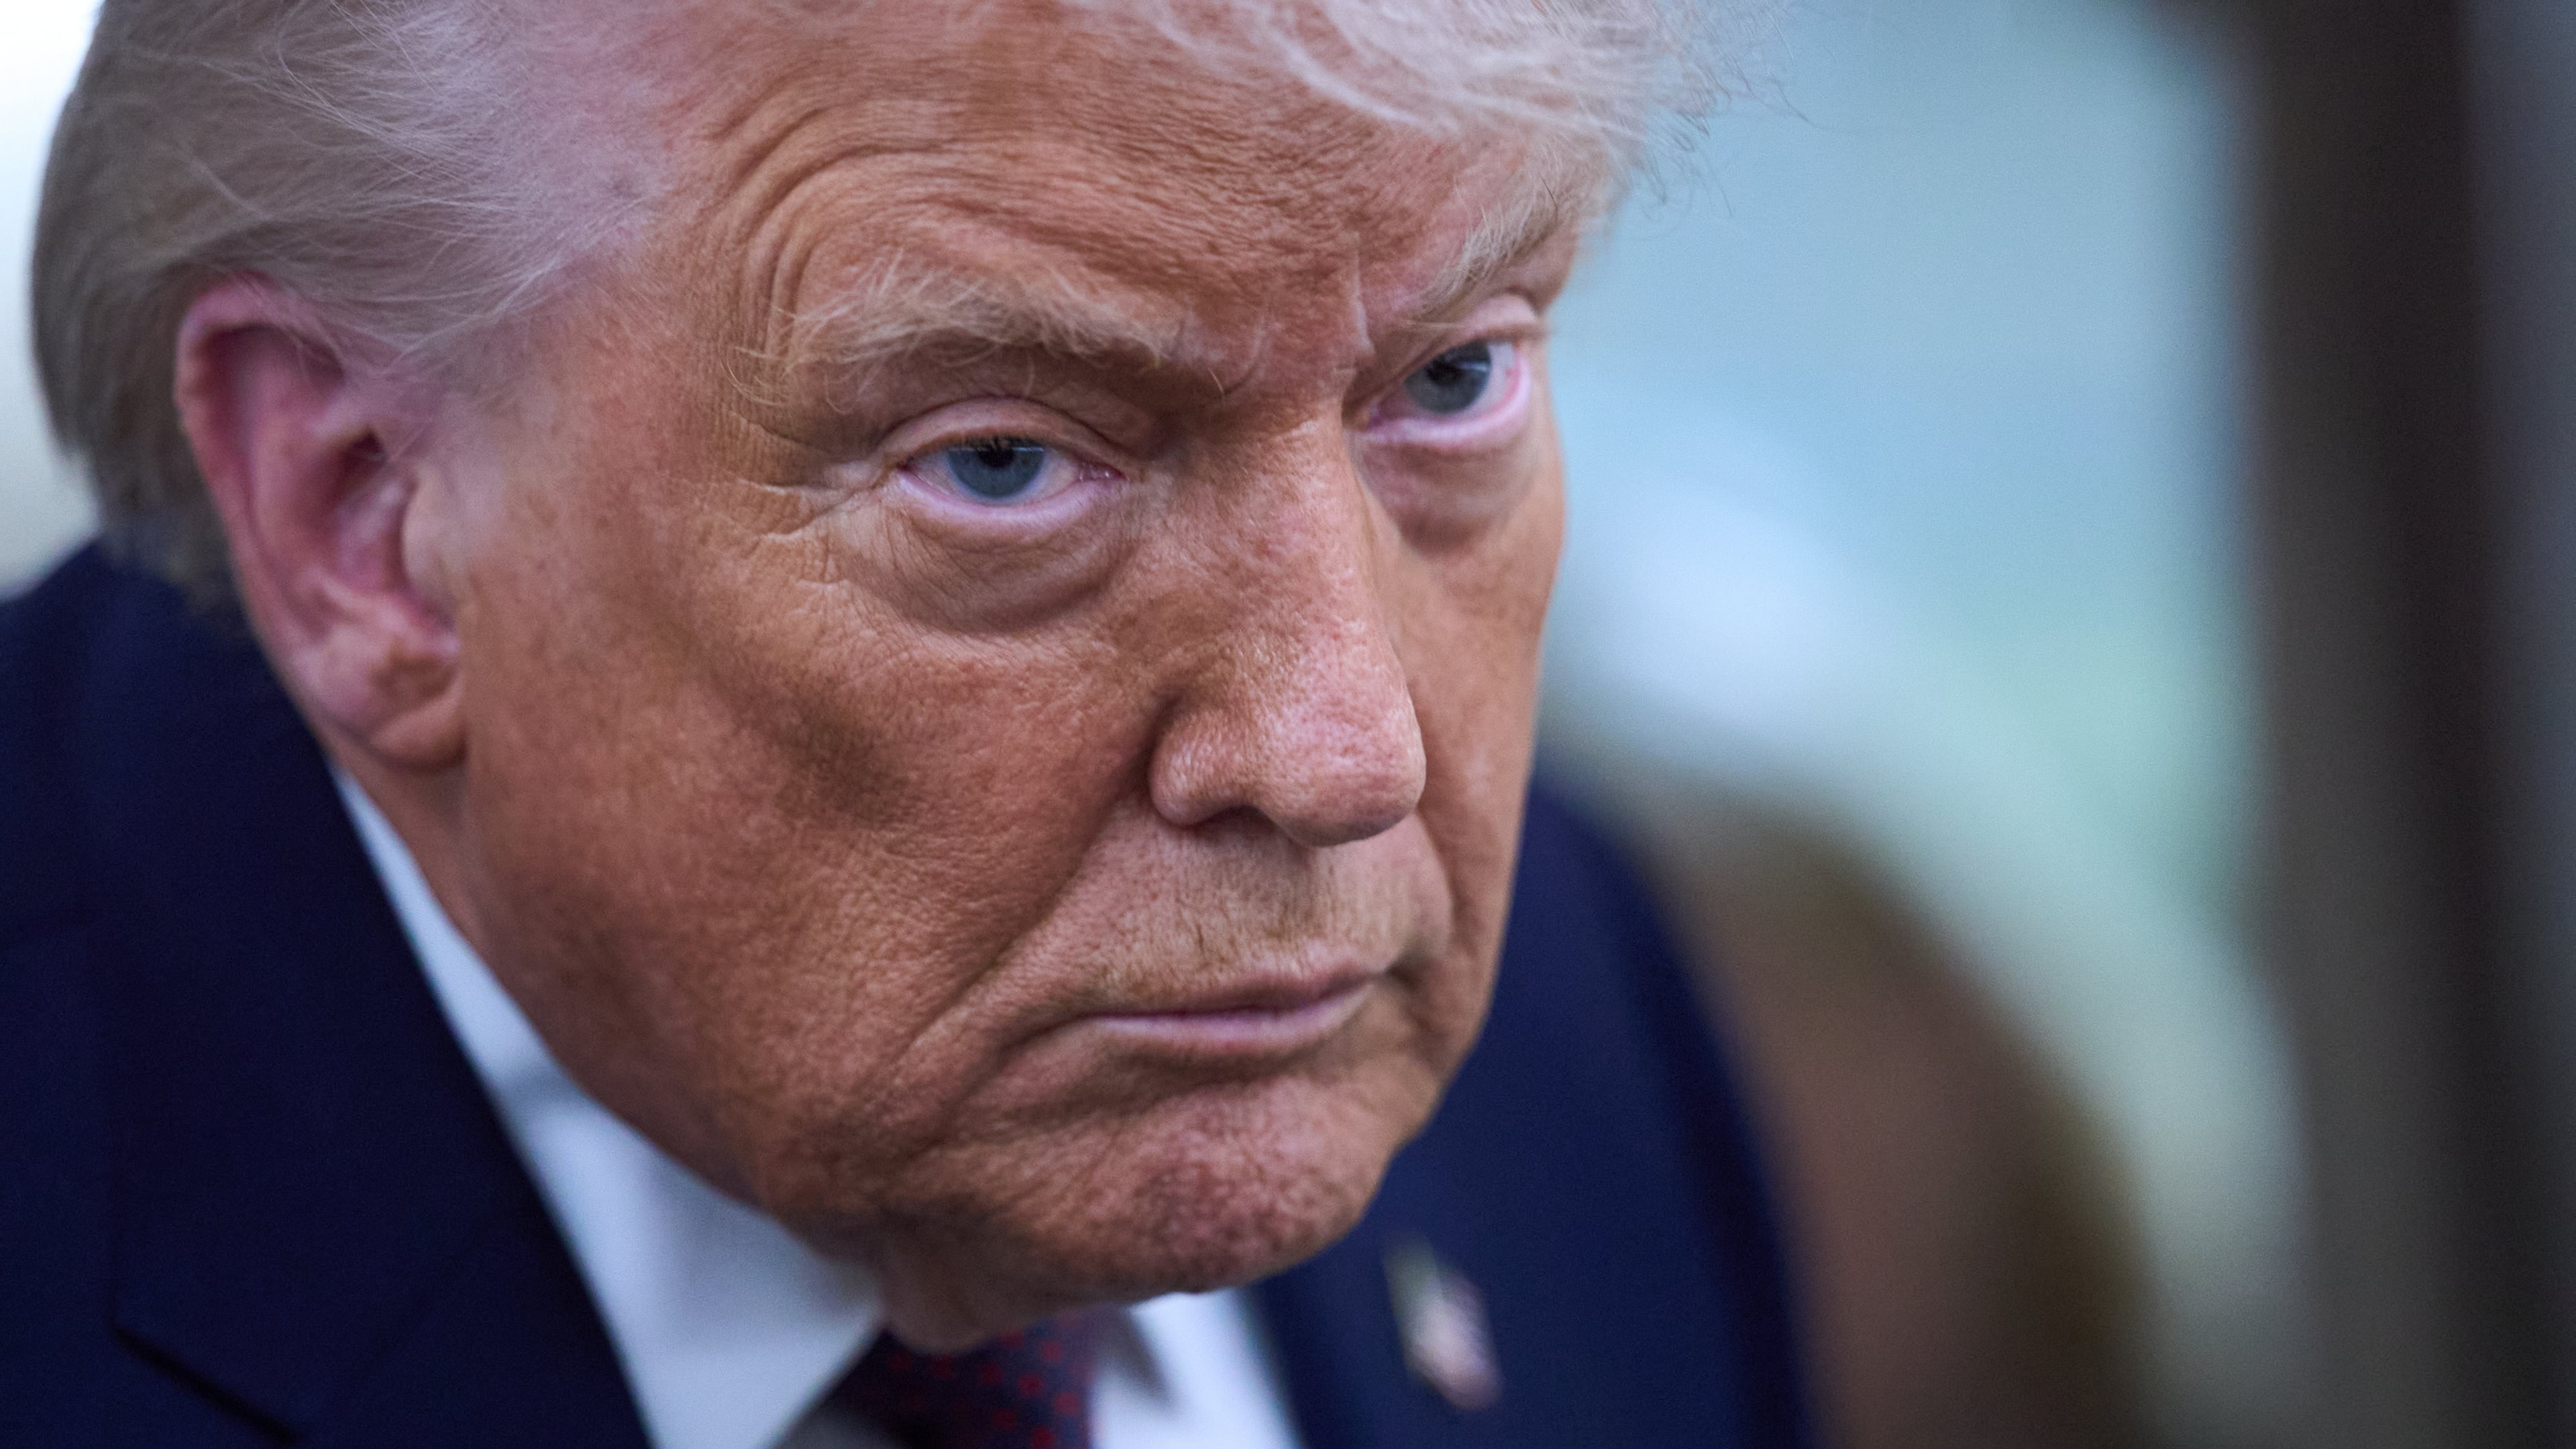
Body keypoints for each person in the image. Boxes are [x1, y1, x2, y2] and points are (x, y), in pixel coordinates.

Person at [0, 1, 1807, 1444]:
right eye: (1003, 467)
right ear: (366, 521)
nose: (1346, 761)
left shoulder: (1579, 1009)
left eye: (1451, 378)